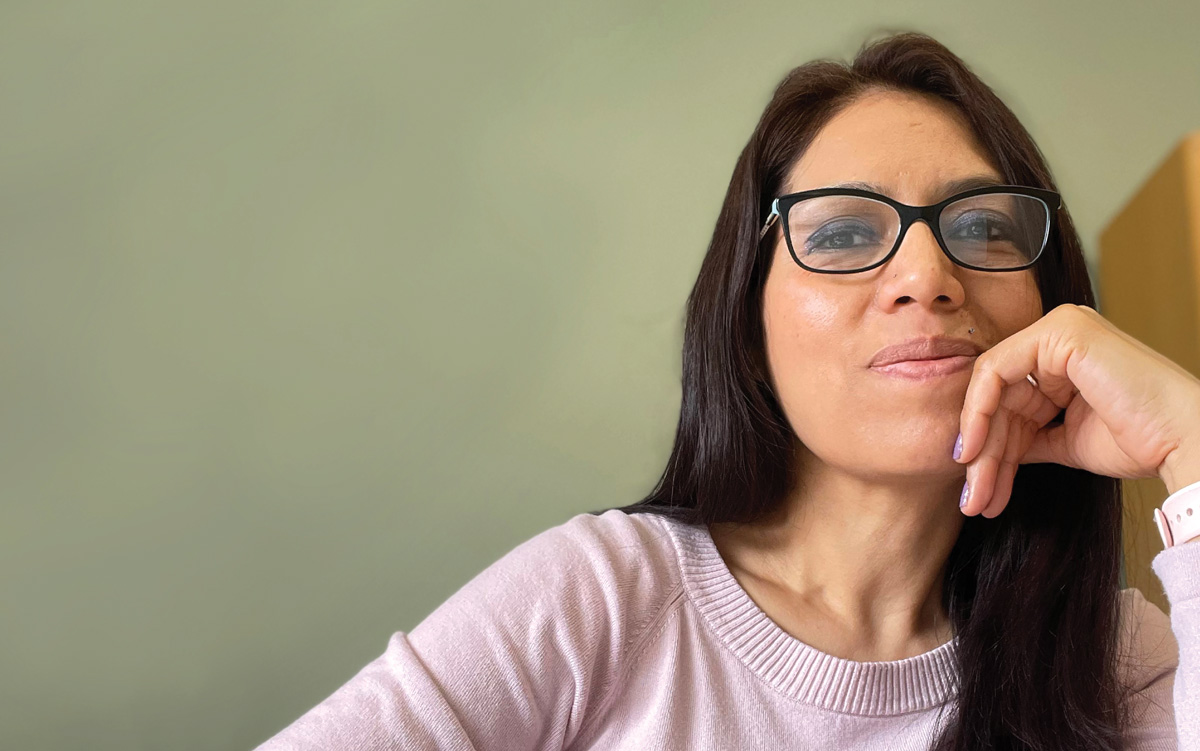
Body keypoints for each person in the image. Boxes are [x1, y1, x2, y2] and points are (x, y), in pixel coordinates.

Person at [254, 31, 1200, 750]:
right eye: (842, 234)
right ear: (748, 326)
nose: (928, 275)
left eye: (985, 226)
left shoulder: (1117, 660)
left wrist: (1192, 448)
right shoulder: (605, 595)